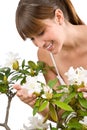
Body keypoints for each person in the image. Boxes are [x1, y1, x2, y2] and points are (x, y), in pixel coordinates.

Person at [14, 0, 87, 119]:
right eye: (32, 38)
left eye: (41, 32)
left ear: (59, 17)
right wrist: (34, 103)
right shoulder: (45, 56)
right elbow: (61, 113)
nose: (38, 44)